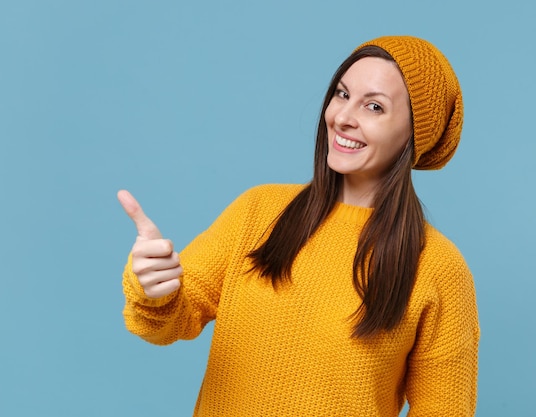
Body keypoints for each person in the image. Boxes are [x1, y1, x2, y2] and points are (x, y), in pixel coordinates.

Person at [118, 35, 479, 416]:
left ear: (414, 133)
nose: (343, 117)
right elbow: (171, 320)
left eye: (374, 106)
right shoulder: (257, 212)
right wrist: (153, 287)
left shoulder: (438, 268)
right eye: (341, 94)